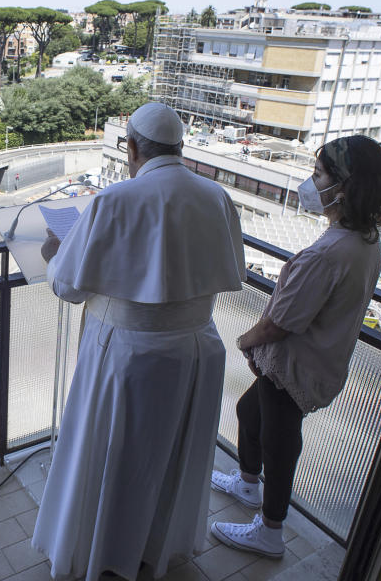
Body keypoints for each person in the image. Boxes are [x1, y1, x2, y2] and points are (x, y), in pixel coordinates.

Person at [34, 103, 246, 580]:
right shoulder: (216, 197)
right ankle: (158, 546)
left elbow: (68, 287)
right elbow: (233, 269)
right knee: (172, 457)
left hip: (127, 356)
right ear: (180, 148)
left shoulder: (115, 200)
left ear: (131, 148)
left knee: (116, 459)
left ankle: (101, 553)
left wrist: (54, 253)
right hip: (196, 349)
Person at [211, 135, 381, 558]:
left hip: (292, 369)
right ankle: (246, 483)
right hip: (314, 364)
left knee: (280, 442)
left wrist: (244, 340)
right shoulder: (364, 241)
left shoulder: (328, 253)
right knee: (248, 413)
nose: (310, 184)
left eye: (318, 175)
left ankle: (270, 530)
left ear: (343, 188)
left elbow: (279, 323)